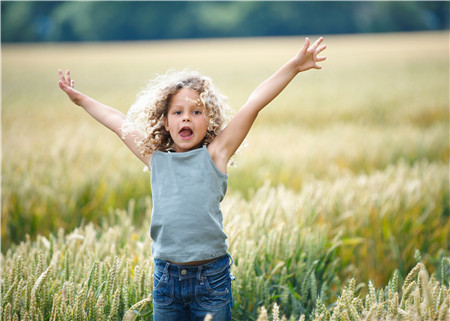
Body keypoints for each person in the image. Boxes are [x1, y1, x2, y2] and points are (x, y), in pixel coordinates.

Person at [58, 37, 326, 321]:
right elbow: (117, 121)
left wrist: (294, 67)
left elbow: (254, 103)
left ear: (209, 120)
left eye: (196, 112)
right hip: (166, 280)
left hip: (211, 279)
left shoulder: (215, 155)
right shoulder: (155, 158)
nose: (187, 118)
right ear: (165, 122)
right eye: (178, 112)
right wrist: (80, 99)